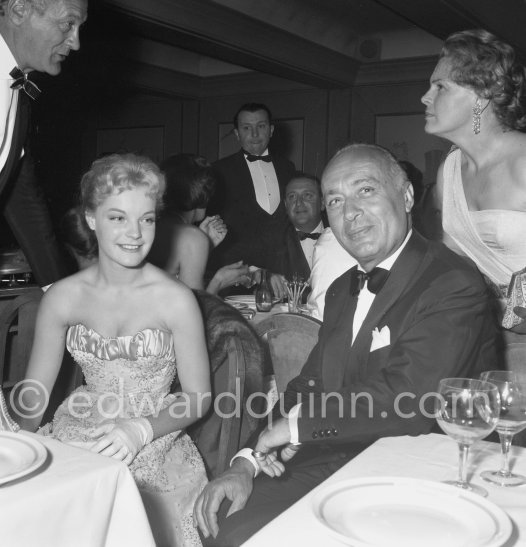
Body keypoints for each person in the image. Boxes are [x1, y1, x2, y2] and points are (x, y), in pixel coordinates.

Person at [193, 143, 498, 545]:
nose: (350, 213)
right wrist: (247, 461)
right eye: (335, 200)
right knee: (229, 527)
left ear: (406, 196)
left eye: (365, 191)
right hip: (338, 454)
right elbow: (307, 385)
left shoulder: (451, 282)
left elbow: (409, 400)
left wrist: (297, 427)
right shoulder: (342, 289)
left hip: (422, 469)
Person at [17, 154, 210, 546]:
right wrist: (13, 444)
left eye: (147, 218)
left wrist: (140, 430)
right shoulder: (63, 298)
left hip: (154, 441)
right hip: (81, 434)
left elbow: (198, 397)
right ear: (91, 218)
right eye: (118, 217)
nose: (136, 233)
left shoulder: (176, 300)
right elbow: (34, 396)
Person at [421, 29, 526, 374]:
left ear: (481, 96)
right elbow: (454, 267)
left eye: (440, 87)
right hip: (484, 341)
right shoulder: (449, 170)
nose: (424, 97)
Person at [0, 0, 88, 286]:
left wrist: (57, 289)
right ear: (18, 10)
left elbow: (22, 196)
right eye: (68, 24)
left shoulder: (19, 86)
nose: (75, 43)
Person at [208, 103, 296, 297]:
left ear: (271, 130)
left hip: (284, 282)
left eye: (261, 126)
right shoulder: (218, 171)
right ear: (237, 133)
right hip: (238, 283)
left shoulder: (288, 168)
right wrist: (254, 272)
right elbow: (215, 235)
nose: (255, 134)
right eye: (247, 128)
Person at [147, 153, 253, 295]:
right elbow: (194, 311)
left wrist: (206, 246)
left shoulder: (151, 224)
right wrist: (219, 281)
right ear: (203, 194)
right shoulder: (192, 237)